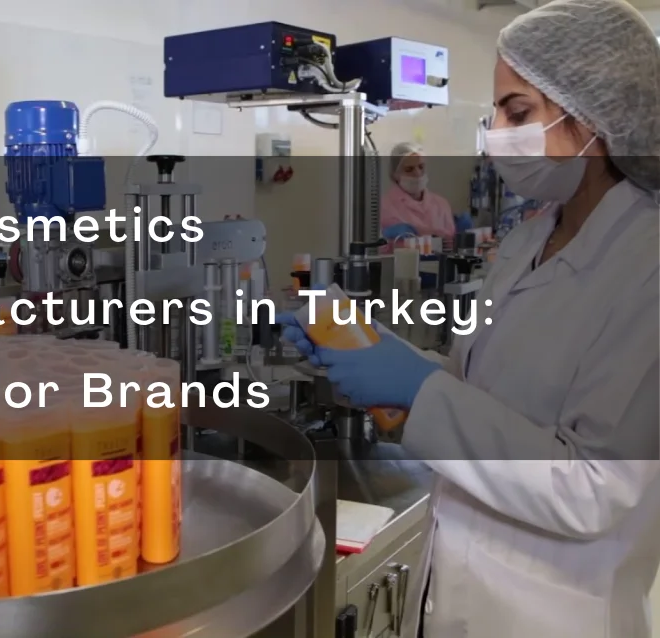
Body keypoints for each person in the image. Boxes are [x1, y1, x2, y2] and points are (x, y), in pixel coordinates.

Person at [279, 1, 660, 636]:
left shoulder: (645, 263)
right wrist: (380, 354)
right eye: (497, 114)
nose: (496, 133)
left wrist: (414, 388)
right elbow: (473, 390)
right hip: (461, 584)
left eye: (518, 112)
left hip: (558, 610)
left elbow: (598, 491)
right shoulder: (530, 237)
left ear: (595, 115)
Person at [381, 141, 474, 243]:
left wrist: (461, 237)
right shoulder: (385, 207)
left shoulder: (441, 204)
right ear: (395, 174)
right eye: (409, 169)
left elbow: (451, 244)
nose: (417, 173)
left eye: (421, 167)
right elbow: (381, 250)